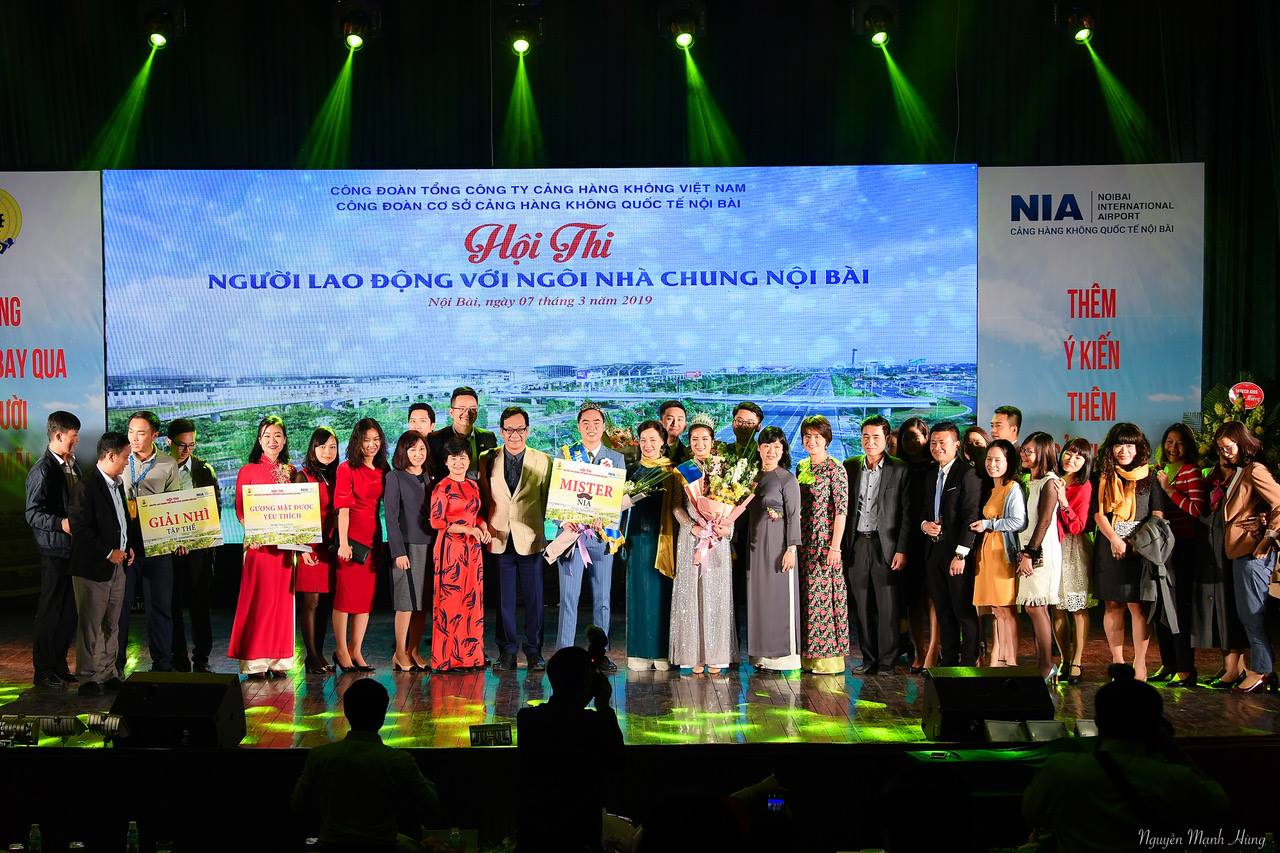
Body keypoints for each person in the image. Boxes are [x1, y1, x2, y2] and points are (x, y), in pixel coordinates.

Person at [1022, 664, 1229, 853]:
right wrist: (1171, 747)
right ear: (1156, 725)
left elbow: (1031, 812)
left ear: (1097, 721)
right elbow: (1219, 804)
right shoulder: (1173, 779)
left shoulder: (1062, 770)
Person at [292, 678, 440, 853]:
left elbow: (298, 803)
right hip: (383, 847)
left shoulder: (320, 756)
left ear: (346, 712)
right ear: (383, 715)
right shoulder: (398, 760)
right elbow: (431, 804)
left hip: (332, 847)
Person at [516, 645, 624, 853]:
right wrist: (603, 706)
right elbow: (618, 762)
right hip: (581, 837)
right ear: (586, 684)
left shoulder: (528, 720)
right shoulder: (594, 725)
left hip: (535, 838)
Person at [480, 406, 552, 671]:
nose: (514, 434)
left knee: (535, 600)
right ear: (501, 431)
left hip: (530, 538)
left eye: (520, 429)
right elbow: (484, 495)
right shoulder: (488, 458)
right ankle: (507, 652)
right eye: (509, 429)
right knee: (504, 601)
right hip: (498, 537)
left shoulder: (543, 460)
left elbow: (548, 501)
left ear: (528, 431)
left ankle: (534, 652)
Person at [1093, 422, 1165, 681]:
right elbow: (1098, 513)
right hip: (1109, 546)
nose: (1123, 450)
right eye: (1118, 445)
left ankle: (1140, 664)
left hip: (1140, 549)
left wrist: (1134, 542)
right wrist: (1115, 539)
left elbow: (1157, 515)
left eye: (1129, 445)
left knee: (1138, 606)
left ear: (1139, 448)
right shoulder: (1103, 475)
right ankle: (1119, 664)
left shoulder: (1150, 476)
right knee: (1113, 604)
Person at [1211, 420, 1280, 693]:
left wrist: (1268, 535)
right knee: (1246, 613)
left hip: (1253, 554)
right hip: (1240, 551)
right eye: (1221, 449)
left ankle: (1262, 671)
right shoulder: (1240, 471)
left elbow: (1279, 502)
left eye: (1228, 448)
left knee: (1252, 614)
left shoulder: (1256, 470)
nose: (1225, 453)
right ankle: (1264, 669)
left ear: (1243, 444)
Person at [117, 410, 188, 674]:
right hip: (125, 542)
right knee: (120, 608)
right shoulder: (120, 458)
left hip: (157, 542)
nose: (134, 438)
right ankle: (115, 665)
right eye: (131, 432)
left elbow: (174, 504)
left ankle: (162, 663)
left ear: (155, 435)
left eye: (141, 433)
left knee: (160, 606)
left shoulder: (167, 463)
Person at [555, 402, 626, 663]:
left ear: (604, 426)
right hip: (573, 537)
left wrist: (606, 520)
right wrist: (565, 521)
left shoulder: (616, 458)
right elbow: (557, 494)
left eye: (596, 422)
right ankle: (564, 654)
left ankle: (600, 653)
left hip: (601, 538)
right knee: (568, 598)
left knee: (602, 599)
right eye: (586, 422)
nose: (591, 427)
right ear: (578, 426)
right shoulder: (566, 454)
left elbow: (619, 499)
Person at [227, 416, 297, 678]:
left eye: (277, 435)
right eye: (267, 436)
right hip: (258, 548)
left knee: (281, 603)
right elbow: (241, 510)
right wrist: (253, 531)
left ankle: (279, 660)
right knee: (258, 602)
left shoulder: (291, 471)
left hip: (284, 548)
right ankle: (255, 662)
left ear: (285, 440)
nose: (272, 440)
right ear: (259, 440)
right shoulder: (248, 470)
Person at [67, 432, 135, 697]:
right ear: (110, 456)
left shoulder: (117, 484)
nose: (127, 463)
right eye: (125, 457)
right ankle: (88, 677)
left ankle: (108, 672)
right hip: (92, 569)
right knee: (91, 625)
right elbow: (80, 528)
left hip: (118, 567)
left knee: (112, 623)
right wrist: (108, 552)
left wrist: (127, 546)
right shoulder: (86, 486)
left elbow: (120, 521)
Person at [842, 415, 910, 675]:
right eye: (866, 437)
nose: (870, 442)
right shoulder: (850, 466)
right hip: (858, 543)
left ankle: (887, 661)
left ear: (887, 439)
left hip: (887, 547)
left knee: (887, 607)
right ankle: (869, 658)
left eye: (876, 437)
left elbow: (907, 513)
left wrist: (901, 549)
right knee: (861, 606)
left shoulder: (899, 468)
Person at [670, 414, 736, 674]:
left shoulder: (724, 469)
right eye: (695, 439)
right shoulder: (683, 470)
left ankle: (716, 654)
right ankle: (694, 655)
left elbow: (732, 503)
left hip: (716, 539)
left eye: (704, 439)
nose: (700, 444)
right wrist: (692, 527)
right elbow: (677, 506)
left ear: (712, 441)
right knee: (691, 595)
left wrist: (725, 528)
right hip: (691, 539)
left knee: (715, 595)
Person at [25, 410, 82, 690]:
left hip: (73, 550)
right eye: (73, 436)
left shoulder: (73, 465)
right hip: (54, 551)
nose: (77, 441)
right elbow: (32, 513)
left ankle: (59, 665)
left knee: (69, 611)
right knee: (50, 611)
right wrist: (61, 523)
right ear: (58, 435)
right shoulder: (42, 470)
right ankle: (44, 671)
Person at [918, 421, 983, 666]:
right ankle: (949, 660)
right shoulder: (930, 474)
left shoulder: (967, 473)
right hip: (933, 550)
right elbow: (923, 510)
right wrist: (924, 525)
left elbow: (971, 516)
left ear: (956, 444)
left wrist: (961, 554)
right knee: (943, 609)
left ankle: (969, 661)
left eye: (942, 443)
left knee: (962, 609)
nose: (937, 448)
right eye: (933, 443)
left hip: (957, 554)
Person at [1148, 423, 1204, 686]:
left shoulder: (1191, 471)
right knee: (1160, 608)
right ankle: (1168, 663)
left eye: (1179, 442)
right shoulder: (1159, 470)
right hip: (1160, 549)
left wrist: (1169, 489)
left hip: (1183, 547)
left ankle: (1185, 669)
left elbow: (1196, 510)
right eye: (1169, 441)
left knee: (1178, 609)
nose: (1173, 447)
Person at [333, 418, 388, 673]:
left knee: (364, 599)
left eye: (376, 439)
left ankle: (356, 650)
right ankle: (341, 651)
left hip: (373, 539)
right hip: (351, 540)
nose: (372, 444)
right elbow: (343, 509)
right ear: (357, 441)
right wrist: (344, 543)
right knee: (345, 598)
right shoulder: (346, 468)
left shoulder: (382, 468)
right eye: (367, 440)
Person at [166, 418, 221, 673]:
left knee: (200, 606)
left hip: (198, 551)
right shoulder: (158, 468)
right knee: (172, 606)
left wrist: (197, 540)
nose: (186, 450)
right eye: (181, 445)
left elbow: (214, 508)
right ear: (169, 442)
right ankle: (178, 657)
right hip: (168, 551)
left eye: (191, 445)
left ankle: (202, 658)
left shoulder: (204, 470)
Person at [429, 435, 488, 671]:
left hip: (472, 549)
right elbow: (436, 522)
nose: (458, 462)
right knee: (451, 604)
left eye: (462, 457)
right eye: (453, 458)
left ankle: (470, 657)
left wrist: (483, 528)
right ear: (446, 461)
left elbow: (477, 514)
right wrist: (467, 529)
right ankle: (447, 659)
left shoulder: (473, 485)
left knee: (471, 602)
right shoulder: (442, 487)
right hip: (450, 550)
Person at [621, 420, 676, 671]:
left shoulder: (672, 471)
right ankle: (639, 651)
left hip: (664, 539)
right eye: (643, 440)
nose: (648, 445)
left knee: (663, 596)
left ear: (663, 442)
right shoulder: (631, 470)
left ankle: (662, 652)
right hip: (636, 538)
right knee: (638, 594)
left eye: (653, 440)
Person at [797, 415, 849, 674]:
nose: (812, 441)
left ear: (827, 439)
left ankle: (827, 660)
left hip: (824, 544)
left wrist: (835, 547)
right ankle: (807, 656)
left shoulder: (835, 469)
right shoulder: (801, 467)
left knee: (823, 601)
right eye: (807, 436)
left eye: (817, 436)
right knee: (806, 599)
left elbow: (841, 511)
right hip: (803, 543)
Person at [747, 426, 801, 672]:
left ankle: (782, 656)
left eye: (777, 447)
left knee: (778, 598)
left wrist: (791, 549)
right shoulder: (751, 476)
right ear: (759, 448)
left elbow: (793, 516)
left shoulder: (786, 479)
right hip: (754, 545)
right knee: (758, 598)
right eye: (766, 446)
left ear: (783, 450)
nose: (771, 451)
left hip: (779, 546)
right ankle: (761, 654)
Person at [1193, 451, 1249, 689]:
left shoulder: (1246, 476)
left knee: (1230, 608)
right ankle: (1230, 666)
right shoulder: (1210, 478)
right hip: (1211, 548)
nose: (1224, 455)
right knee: (1217, 608)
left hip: (1231, 550)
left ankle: (1236, 668)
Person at [968, 439, 1026, 668]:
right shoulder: (991, 488)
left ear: (1008, 462)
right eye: (989, 459)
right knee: (996, 609)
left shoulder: (1012, 488)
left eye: (997, 460)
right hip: (987, 552)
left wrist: (989, 524)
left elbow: (1018, 521)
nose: (992, 464)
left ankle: (1011, 660)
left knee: (1006, 607)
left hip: (1002, 552)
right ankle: (999, 658)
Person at [385, 430, 435, 673]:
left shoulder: (429, 476)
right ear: (403, 452)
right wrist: (398, 552)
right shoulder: (395, 477)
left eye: (421, 449)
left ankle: (413, 650)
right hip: (406, 547)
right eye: (412, 449)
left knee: (421, 604)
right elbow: (391, 517)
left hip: (430, 545)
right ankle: (399, 652)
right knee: (405, 602)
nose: (418, 454)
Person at [1018, 432, 1064, 682]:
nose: (1024, 454)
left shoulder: (1050, 482)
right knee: (1034, 607)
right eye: (1023, 450)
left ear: (1044, 453)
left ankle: (1046, 666)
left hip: (1040, 550)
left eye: (1030, 451)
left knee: (1035, 606)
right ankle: (1043, 664)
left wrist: (1029, 553)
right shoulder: (1031, 480)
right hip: (1029, 547)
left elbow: (1044, 521)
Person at [294, 427, 339, 674]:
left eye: (332, 447)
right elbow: (296, 517)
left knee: (324, 603)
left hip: (329, 547)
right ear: (313, 448)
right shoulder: (303, 476)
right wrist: (302, 549)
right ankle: (311, 656)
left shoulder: (334, 475)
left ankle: (318, 654)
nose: (327, 451)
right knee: (311, 602)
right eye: (322, 446)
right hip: (309, 547)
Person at [896, 416, 938, 673]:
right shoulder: (899, 467)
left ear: (926, 437)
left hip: (932, 538)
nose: (911, 442)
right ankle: (918, 650)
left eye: (916, 437)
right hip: (907, 539)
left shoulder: (936, 466)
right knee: (912, 600)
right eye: (906, 437)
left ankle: (933, 650)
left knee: (934, 597)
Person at [1054, 438, 1095, 684]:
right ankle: (1064, 659)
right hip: (1051, 547)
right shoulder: (1051, 478)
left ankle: (1078, 661)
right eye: (1069, 454)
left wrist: (1063, 500)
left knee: (1077, 606)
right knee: (1056, 607)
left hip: (1072, 549)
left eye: (1079, 457)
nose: (1071, 460)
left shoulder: (1084, 486)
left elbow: (1078, 526)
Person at [427, 386, 496, 481]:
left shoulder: (488, 437)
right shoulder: (435, 439)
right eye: (461, 408)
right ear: (451, 412)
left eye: (472, 408)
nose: (467, 413)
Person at [658, 400, 690, 465]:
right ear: (660, 423)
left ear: (685, 426)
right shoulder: (648, 448)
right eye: (669, 418)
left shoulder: (689, 454)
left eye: (680, 419)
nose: (674, 424)